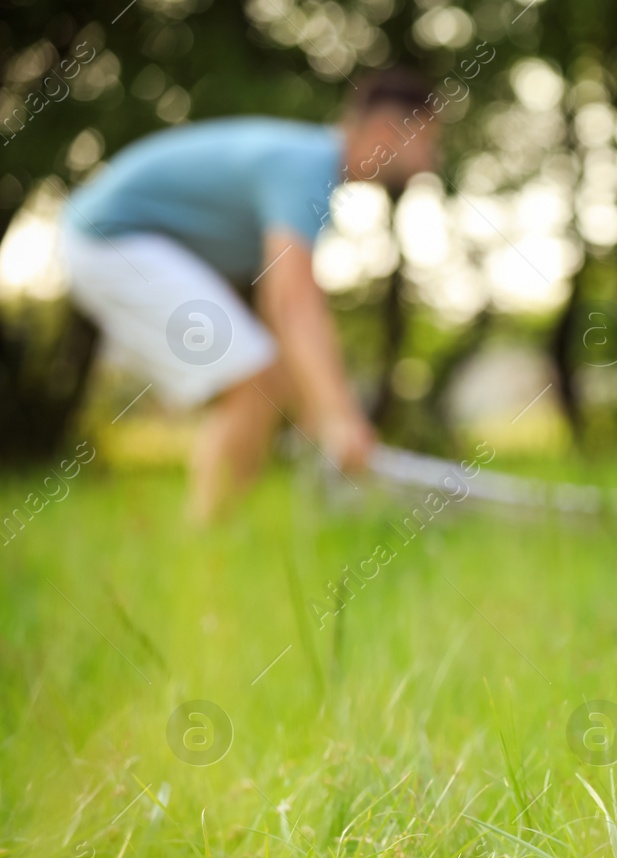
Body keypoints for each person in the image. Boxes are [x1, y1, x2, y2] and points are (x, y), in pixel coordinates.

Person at [62, 69, 443, 521]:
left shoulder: (313, 170)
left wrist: (315, 408)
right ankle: (205, 538)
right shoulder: (308, 167)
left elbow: (275, 305)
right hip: (110, 241)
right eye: (426, 143)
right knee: (252, 378)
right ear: (385, 132)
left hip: (127, 243)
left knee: (268, 375)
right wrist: (341, 417)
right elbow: (292, 301)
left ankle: (216, 530)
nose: (430, 162)